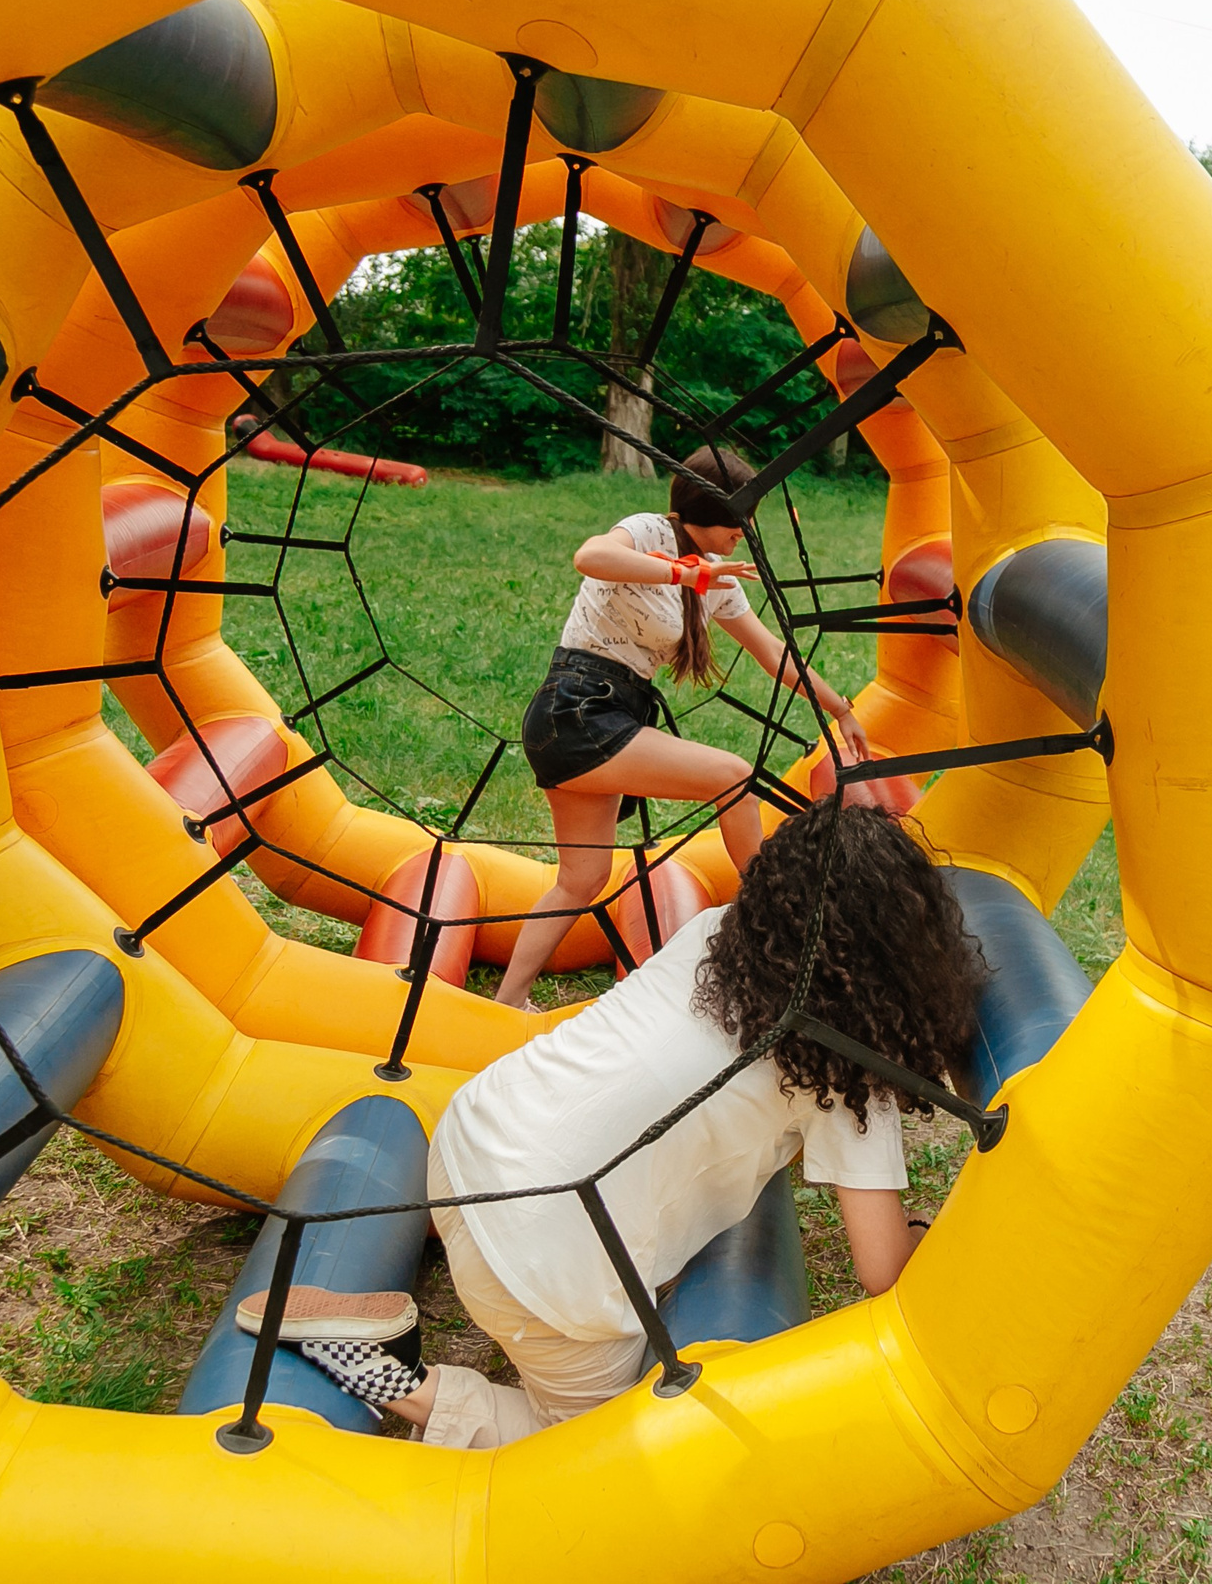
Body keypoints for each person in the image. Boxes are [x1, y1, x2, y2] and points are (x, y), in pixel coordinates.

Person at [245, 799, 986, 1447]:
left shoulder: (715, 935)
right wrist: (930, 1235)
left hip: (470, 1138)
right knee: (586, 1446)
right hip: (543, 1269)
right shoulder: (846, 1071)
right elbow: (881, 1271)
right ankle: (377, 1374)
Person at [491, 444, 870, 1010]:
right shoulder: (648, 532)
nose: (745, 529)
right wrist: (684, 573)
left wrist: (840, 710)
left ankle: (507, 1000)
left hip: (607, 712)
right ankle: (773, 924)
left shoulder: (720, 579)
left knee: (582, 879)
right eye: (737, 516)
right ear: (705, 508)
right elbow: (590, 556)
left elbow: (774, 654)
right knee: (733, 777)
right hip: (576, 706)